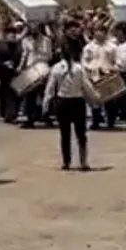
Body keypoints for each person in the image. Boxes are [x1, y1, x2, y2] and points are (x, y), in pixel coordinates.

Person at [43, 40, 97, 171]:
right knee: (81, 134)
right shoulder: (79, 68)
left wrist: (45, 104)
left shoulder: (56, 68)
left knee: (65, 134)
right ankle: (83, 162)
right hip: (77, 102)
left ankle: (66, 162)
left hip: (62, 102)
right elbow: (86, 86)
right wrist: (95, 98)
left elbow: (50, 88)